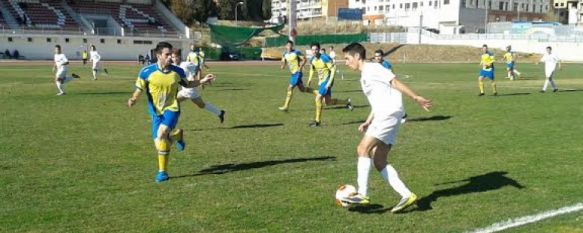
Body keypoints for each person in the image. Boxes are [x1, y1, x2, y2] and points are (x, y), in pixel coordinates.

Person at [339, 42, 432, 213]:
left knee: (362, 149)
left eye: (347, 58)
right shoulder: (366, 73)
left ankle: (362, 193)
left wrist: (415, 97)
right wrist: (368, 121)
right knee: (379, 160)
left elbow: (394, 82)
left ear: (358, 56)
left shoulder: (373, 68)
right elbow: (378, 101)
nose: (345, 62)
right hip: (387, 114)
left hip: (388, 114)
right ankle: (407, 195)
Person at [127, 42, 215, 183]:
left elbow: (188, 84)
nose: (170, 58)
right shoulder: (146, 72)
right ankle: (177, 136)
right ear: (158, 56)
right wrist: (133, 99)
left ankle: (162, 173)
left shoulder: (177, 72)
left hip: (171, 109)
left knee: (162, 135)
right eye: (167, 55)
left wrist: (202, 80)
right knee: (160, 144)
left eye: (171, 55)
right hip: (155, 113)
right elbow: (139, 89)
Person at [171, 49, 225, 123]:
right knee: (201, 105)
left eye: (176, 57)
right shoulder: (173, 66)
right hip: (186, 88)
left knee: (172, 102)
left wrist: (200, 79)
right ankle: (219, 112)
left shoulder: (185, 64)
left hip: (190, 89)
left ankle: (170, 122)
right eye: (173, 57)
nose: (174, 59)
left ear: (180, 56)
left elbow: (198, 68)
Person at [307, 42, 352, 127]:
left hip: (327, 80)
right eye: (313, 50)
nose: (314, 51)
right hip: (321, 82)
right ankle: (347, 102)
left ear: (319, 49)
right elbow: (312, 69)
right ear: (311, 51)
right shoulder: (312, 59)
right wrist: (309, 79)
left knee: (318, 98)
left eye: (316, 49)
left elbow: (333, 70)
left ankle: (317, 121)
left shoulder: (324, 58)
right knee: (328, 102)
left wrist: (329, 83)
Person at [278, 40, 315, 111]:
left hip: (297, 73)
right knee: (302, 89)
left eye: (290, 45)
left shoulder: (296, 52)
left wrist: (301, 66)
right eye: (288, 45)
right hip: (293, 74)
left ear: (292, 46)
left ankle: (286, 106)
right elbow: (283, 62)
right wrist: (283, 65)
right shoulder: (284, 54)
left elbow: (304, 59)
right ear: (286, 46)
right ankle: (318, 93)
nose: (289, 47)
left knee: (290, 88)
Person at [373, 49, 407, 124]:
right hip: (382, 87)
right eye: (376, 56)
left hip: (390, 86)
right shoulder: (375, 65)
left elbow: (390, 77)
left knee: (396, 102)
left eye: (379, 56)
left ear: (382, 56)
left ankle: (403, 115)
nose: (377, 58)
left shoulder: (386, 64)